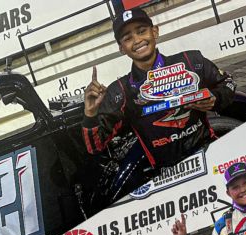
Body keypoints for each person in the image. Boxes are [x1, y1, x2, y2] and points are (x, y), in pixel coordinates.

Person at [82, 7, 236, 170]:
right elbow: (95, 146)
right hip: (167, 174)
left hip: (210, 153)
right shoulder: (120, 90)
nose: (137, 40)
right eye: (127, 38)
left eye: (141, 31)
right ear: (121, 48)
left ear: (154, 32)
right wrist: (90, 114)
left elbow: (228, 83)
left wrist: (216, 97)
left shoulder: (191, 61)